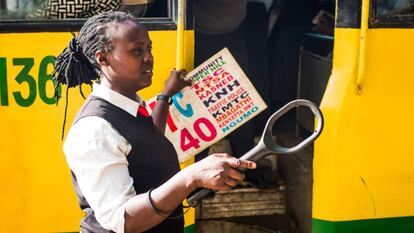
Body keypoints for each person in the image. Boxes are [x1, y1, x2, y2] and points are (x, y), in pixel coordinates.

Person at [52, 11, 257, 233]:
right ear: (103, 58)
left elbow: (151, 141)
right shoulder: (94, 129)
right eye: (137, 51)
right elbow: (123, 220)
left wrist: (165, 97)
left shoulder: (129, 107)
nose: (148, 57)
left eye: (149, 48)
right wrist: (191, 177)